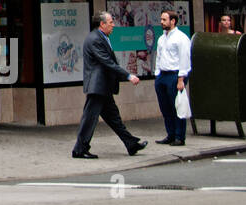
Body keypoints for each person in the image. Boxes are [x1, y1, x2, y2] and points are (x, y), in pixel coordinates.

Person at [72, 12, 146, 159]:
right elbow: (107, 62)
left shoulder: (102, 37)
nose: (113, 25)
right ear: (102, 24)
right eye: (110, 22)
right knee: (90, 118)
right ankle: (79, 150)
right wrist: (128, 75)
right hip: (97, 86)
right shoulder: (95, 39)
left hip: (103, 86)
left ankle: (131, 143)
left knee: (114, 118)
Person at [153, 9, 191, 147]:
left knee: (177, 107)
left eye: (164, 20)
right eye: (161, 19)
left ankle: (179, 137)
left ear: (173, 21)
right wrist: (157, 74)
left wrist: (181, 79)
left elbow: (184, 59)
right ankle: (170, 134)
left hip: (175, 75)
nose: (161, 22)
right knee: (165, 107)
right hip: (162, 75)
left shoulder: (181, 38)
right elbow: (158, 57)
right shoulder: (161, 38)